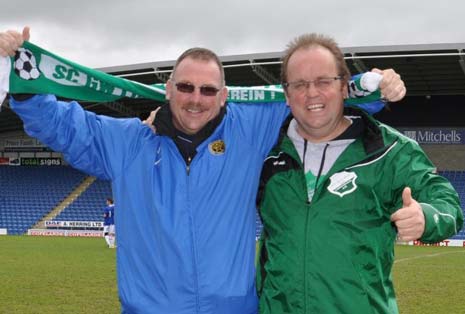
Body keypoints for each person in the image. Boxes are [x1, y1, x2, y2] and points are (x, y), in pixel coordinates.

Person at [0, 27, 406, 314]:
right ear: (168, 88)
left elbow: (316, 99)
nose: (197, 99)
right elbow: (62, 125)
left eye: (209, 90)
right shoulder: (126, 143)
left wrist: (373, 85)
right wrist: (22, 74)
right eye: (186, 87)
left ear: (224, 95)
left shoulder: (251, 129)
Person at [255, 33, 463, 314]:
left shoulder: (389, 151)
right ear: (287, 94)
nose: (312, 92)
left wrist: (425, 217)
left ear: (344, 87)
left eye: (323, 81)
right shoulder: (264, 153)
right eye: (300, 84)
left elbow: (448, 204)